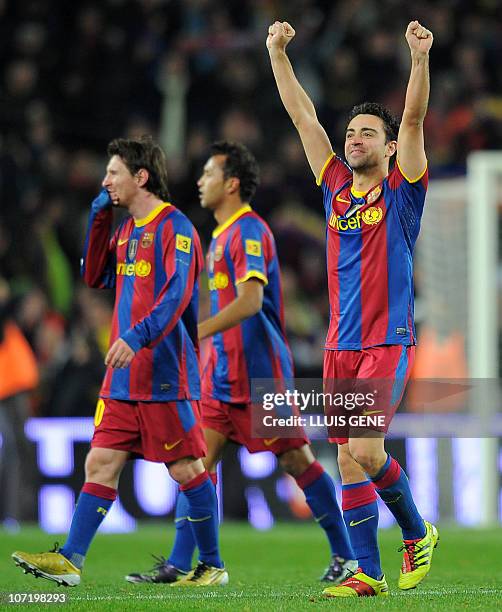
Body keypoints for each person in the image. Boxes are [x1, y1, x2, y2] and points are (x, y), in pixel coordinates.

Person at [126, 140, 357, 586]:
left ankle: (347, 556)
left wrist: (198, 332)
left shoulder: (249, 230)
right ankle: (182, 564)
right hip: (223, 375)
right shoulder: (219, 236)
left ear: (231, 184)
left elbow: (251, 301)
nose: (200, 181)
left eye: (209, 174)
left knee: (295, 460)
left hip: (259, 374)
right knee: (196, 462)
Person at [267, 21, 438, 598]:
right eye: (351, 132)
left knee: (366, 450)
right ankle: (367, 572)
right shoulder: (335, 184)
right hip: (341, 343)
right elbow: (302, 117)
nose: (353, 139)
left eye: (366, 132)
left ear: (389, 147)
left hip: (387, 339)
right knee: (346, 457)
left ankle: (417, 531)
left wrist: (418, 60)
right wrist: (277, 54)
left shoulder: (403, 191)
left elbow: (412, 119)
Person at [11, 136, 227, 587]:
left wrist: (135, 335)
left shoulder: (176, 227)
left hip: (163, 373)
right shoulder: (127, 229)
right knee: (100, 464)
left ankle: (211, 563)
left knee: (188, 470)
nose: (105, 180)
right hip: (123, 376)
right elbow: (93, 276)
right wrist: (98, 216)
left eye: (113, 173)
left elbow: (175, 297)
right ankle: (70, 559)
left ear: (140, 177)